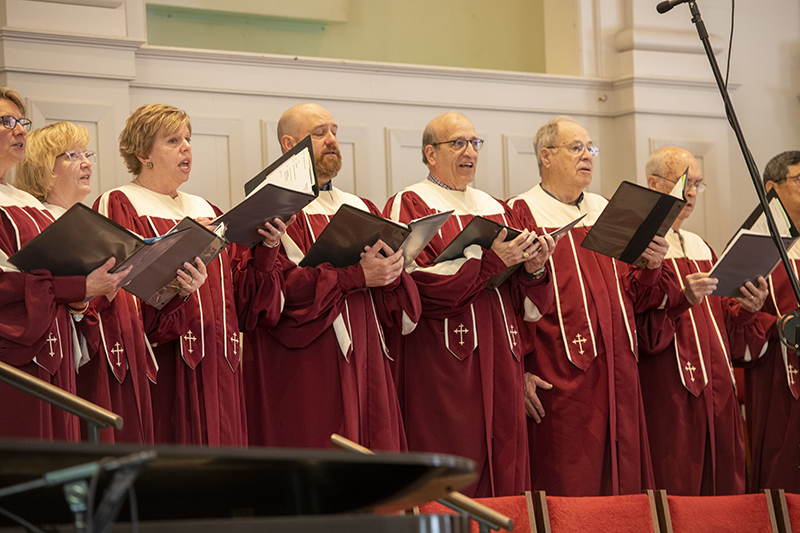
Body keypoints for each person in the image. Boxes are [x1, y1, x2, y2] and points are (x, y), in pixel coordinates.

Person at [383, 111, 556, 497]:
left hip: (501, 354)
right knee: (453, 468)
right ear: (431, 153)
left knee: (505, 469)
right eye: (458, 143)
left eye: (475, 143)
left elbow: (523, 304)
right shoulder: (410, 202)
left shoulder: (495, 206)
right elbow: (417, 284)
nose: (470, 152)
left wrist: (534, 267)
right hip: (443, 358)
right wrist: (493, 261)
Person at [507, 116, 680, 496]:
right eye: (576, 148)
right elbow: (508, 303)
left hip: (619, 369)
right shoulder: (522, 212)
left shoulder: (608, 209)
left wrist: (651, 266)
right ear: (546, 156)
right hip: (560, 374)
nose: (588, 156)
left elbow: (637, 295)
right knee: (571, 486)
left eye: (591, 149)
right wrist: (516, 372)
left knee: (626, 487)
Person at [233, 102, 420, 451]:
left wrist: (392, 271)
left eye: (334, 131)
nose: (332, 139)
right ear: (289, 145)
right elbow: (269, 299)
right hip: (308, 363)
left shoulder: (360, 206)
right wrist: (355, 277)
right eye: (320, 133)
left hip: (365, 353)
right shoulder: (267, 209)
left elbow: (391, 299)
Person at [93, 103, 270, 446]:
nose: (186, 147)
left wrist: (267, 246)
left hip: (220, 363)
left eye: (188, 139)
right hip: (167, 362)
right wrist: (178, 273)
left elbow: (242, 295)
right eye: (173, 140)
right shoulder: (122, 203)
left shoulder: (208, 210)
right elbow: (119, 292)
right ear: (144, 153)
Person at [635, 146, 769, 495]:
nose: (692, 192)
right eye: (685, 182)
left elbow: (724, 320)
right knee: (678, 485)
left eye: (698, 184)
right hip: (669, 387)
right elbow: (638, 323)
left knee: (723, 486)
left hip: (716, 383)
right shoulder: (639, 245)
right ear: (654, 184)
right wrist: (680, 299)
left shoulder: (700, 246)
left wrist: (749, 307)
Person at [0, 88, 128, 440]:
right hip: (17, 365)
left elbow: (52, 280)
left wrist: (79, 299)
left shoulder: (30, 204)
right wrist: (78, 288)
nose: (20, 130)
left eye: (22, 122)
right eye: (6, 122)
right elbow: (5, 287)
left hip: (57, 356)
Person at [742, 150, 800, 492]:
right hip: (780, 378)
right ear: (772, 188)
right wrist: (778, 326)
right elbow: (736, 320)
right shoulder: (755, 245)